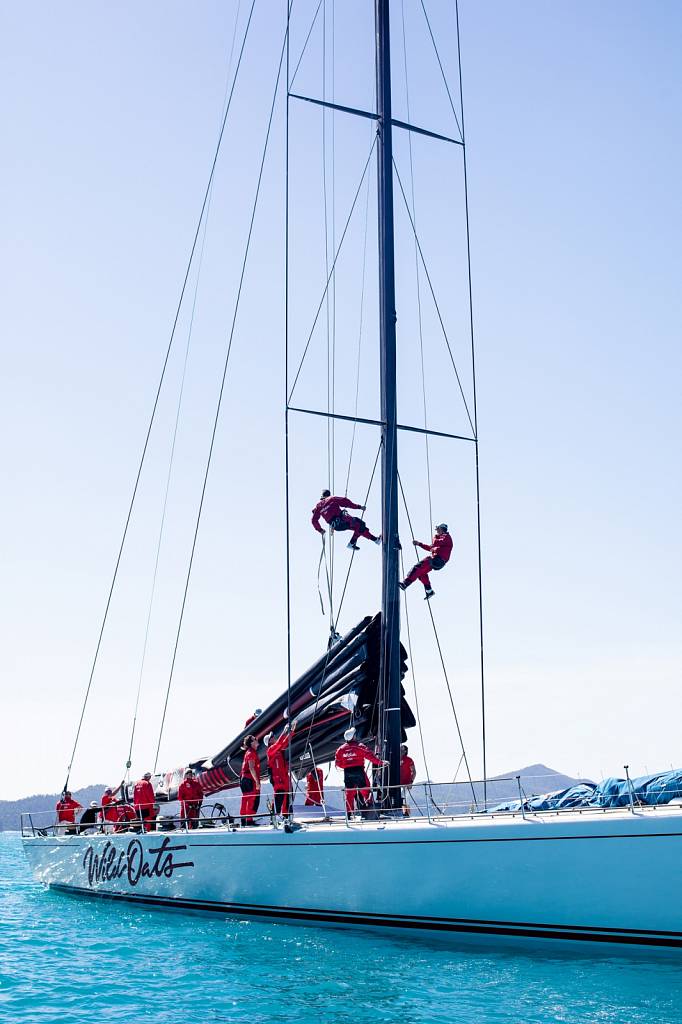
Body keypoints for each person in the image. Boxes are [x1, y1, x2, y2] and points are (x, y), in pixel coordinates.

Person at [334, 727, 386, 816]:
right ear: (354, 737)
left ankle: (349, 816)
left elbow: (338, 764)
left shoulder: (340, 749)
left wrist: (347, 765)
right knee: (366, 792)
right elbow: (371, 757)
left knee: (349, 795)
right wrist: (382, 763)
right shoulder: (360, 746)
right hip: (359, 772)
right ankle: (370, 812)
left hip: (347, 773)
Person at [311, 489, 380, 551]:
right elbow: (345, 502)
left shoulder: (318, 507)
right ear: (329, 495)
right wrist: (359, 507)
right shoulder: (332, 498)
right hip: (342, 520)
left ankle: (376, 540)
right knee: (360, 524)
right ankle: (351, 543)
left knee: (360, 528)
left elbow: (314, 520)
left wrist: (320, 530)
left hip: (337, 527)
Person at [399, 523, 453, 599]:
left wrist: (435, 537)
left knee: (418, 567)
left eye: (438, 529)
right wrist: (419, 544)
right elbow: (430, 548)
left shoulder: (446, 537)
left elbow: (435, 542)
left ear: (441, 529)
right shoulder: (442, 539)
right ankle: (429, 591)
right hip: (438, 561)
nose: (437, 531)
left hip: (438, 560)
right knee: (421, 574)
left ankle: (405, 583)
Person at [264, 724, 295, 818]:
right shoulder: (270, 750)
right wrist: (284, 731)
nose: (274, 738)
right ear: (269, 741)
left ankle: (287, 817)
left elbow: (285, 742)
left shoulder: (278, 749)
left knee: (288, 797)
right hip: (277, 778)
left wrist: (292, 732)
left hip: (285, 777)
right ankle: (274, 818)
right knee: (279, 797)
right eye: (272, 737)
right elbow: (279, 743)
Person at [239, 735, 261, 826]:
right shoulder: (251, 752)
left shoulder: (248, 752)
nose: (257, 739)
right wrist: (257, 782)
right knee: (251, 800)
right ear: (252, 743)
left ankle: (243, 821)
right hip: (249, 779)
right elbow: (251, 768)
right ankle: (249, 821)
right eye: (255, 739)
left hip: (244, 779)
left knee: (245, 799)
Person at [400, 744, 416, 816]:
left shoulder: (409, 760)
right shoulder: (395, 759)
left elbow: (414, 772)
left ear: (405, 751)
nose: (400, 750)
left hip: (406, 784)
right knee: (399, 798)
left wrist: (411, 782)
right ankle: (400, 812)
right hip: (397, 784)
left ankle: (406, 814)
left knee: (405, 799)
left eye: (402, 749)